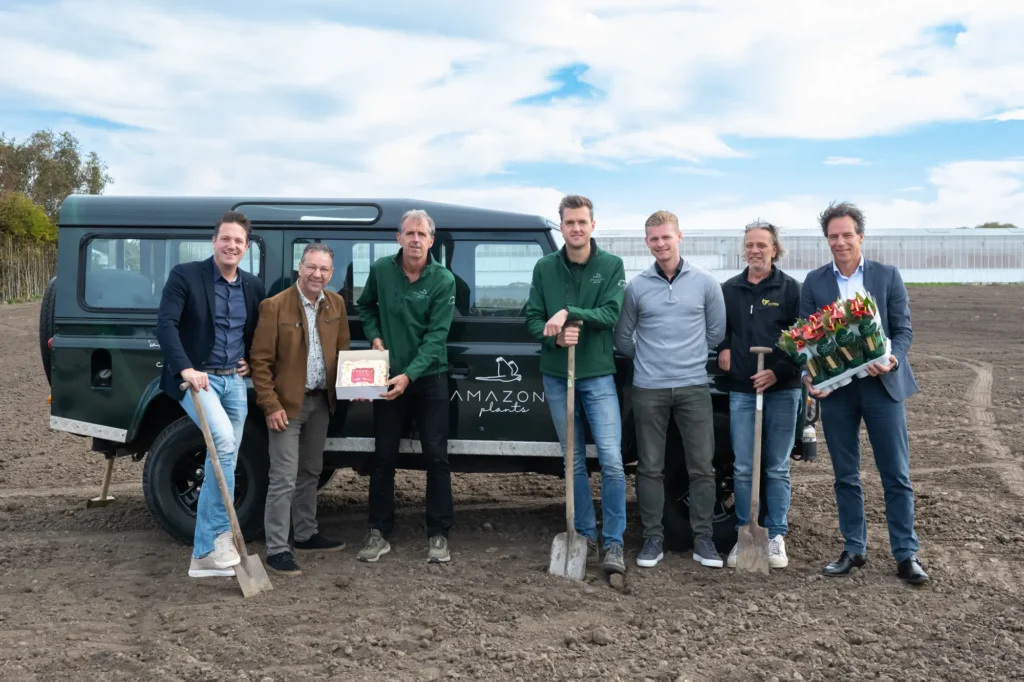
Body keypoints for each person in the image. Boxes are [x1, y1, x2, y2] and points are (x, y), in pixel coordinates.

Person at [801, 201, 929, 585]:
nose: (840, 242)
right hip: (837, 391)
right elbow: (806, 338)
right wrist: (808, 375)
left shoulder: (887, 276)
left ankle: (906, 554)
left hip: (881, 387)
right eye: (833, 236)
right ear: (827, 240)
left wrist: (892, 359)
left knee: (895, 473)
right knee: (845, 474)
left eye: (846, 235)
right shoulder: (814, 282)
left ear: (860, 236)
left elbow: (903, 330)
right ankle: (853, 549)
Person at [155, 210, 266, 578]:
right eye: (226, 238)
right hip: (198, 381)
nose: (231, 245)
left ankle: (202, 556)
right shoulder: (186, 275)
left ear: (246, 247)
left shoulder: (252, 286)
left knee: (225, 461)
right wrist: (185, 368)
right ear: (214, 241)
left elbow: (255, 330)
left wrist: (249, 358)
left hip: (234, 383)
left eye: (238, 241)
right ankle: (219, 540)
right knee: (224, 444)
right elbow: (166, 324)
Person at [614, 210, 727, 569]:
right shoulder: (636, 287)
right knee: (650, 467)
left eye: (666, 237)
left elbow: (716, 332)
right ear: (647, 242)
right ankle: (653, 538)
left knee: (702, 466)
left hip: (693, 387)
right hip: (649, 389)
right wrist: (651, 359)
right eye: (654, 238)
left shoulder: (705, 283)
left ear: (679, 237)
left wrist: (687, 357)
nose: (660, 244)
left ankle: (704, 538)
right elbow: (623, 337)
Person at [525, 194, 628, 577]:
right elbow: (533, 319)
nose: (576, 228)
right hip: (558, 374)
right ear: (562, 226)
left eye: (582, 222)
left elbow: (611, 313)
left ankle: (614, 541)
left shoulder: (611, 265)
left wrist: (571, 313)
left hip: (597, 374)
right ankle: (584, 534)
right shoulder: (545, 268)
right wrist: (555, 337)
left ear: (592, 225)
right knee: (573, 460)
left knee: (612, 460)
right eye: (569, 222)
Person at [355, 209, 457, 564]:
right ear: (398, 237)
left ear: (431, 240)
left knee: (436, 457)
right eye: (409, 233)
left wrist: (409, 376)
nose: (415, 239)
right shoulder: (382, 270)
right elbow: (365, 307)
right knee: (383, 456)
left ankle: (439, 533)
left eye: (421, 234)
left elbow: (436, 337)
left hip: (430, 379)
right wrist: (374, 336)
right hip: (388, 376)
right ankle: (378, 531)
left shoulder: (443, 279)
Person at [249, 243, 351, 576]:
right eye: (312, 267)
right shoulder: (274, 306)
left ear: (331, 273)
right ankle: (278, 549)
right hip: (286, 407)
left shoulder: (336, 304)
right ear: (300, 268)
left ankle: (306, 534)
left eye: (323, 269)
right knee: (283, 477)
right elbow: (260, 362)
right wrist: (271, 405)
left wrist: (357, 386)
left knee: (310, 472)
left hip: (321, 403)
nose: (317, 274)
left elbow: (343, 353)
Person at [718, 220, 802, 569]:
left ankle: (776, 535)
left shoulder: (791, 289)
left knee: (776, 466)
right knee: (743, 467)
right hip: (742, 387)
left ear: (774, 249)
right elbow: (721, 327)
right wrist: (724, 346)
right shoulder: (729, 289)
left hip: (782, 389)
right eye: (750, 245)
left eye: (762, 245)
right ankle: (745, 531)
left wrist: (777, 371)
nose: (754, 250)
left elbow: (803, 339)